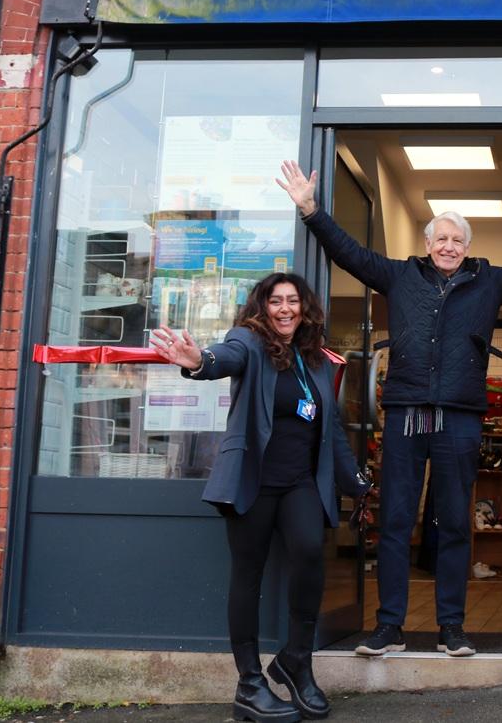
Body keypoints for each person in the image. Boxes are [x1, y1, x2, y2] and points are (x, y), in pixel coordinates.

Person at [276, 160, 502, 658]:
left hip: (460, 417)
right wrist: (311, 211)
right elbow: (348, 254)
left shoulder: (489, 282)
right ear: (428, 244)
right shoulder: (399, 275)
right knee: (395, 521)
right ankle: (389, 628)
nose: (449, 246)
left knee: (453, 522)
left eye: (457, 240)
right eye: (441, 239)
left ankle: (452, 626)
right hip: (407, 411)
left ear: (467, 247)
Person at [150, 272, 370, 723]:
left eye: (293, 301)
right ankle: (249, 683)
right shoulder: (248, 341)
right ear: (263, 308)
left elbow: (331, 434)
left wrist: (356, 484)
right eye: (276, 301)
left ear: (305, 309)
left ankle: (295, 661)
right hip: (253, 480)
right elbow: (222, 358)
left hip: (299, 483)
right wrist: (198, 360)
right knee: (247, 576)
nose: (285, 309)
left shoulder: (319, 362)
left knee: (310, 554)